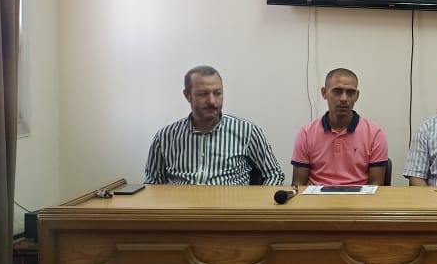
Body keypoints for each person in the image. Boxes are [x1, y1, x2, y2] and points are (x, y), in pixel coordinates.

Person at [144, 66, 284, 185]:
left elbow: (274, 175)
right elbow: (153, 183)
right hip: (181, 207)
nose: (212, 101)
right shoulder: (165, 137)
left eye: (217, 93)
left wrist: (256, 205)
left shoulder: (247, 131)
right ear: (187, 95)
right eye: (203, 94)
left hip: (231, 207)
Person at [291, 68, 389, 186]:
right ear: (324, 93)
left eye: (350, 93)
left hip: (359, 196)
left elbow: (376, 186)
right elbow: (298, 184)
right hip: (316, 196)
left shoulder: (375, 134)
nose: (344, 98)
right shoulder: (306, 133)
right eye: (337, 91)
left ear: (357, 96)